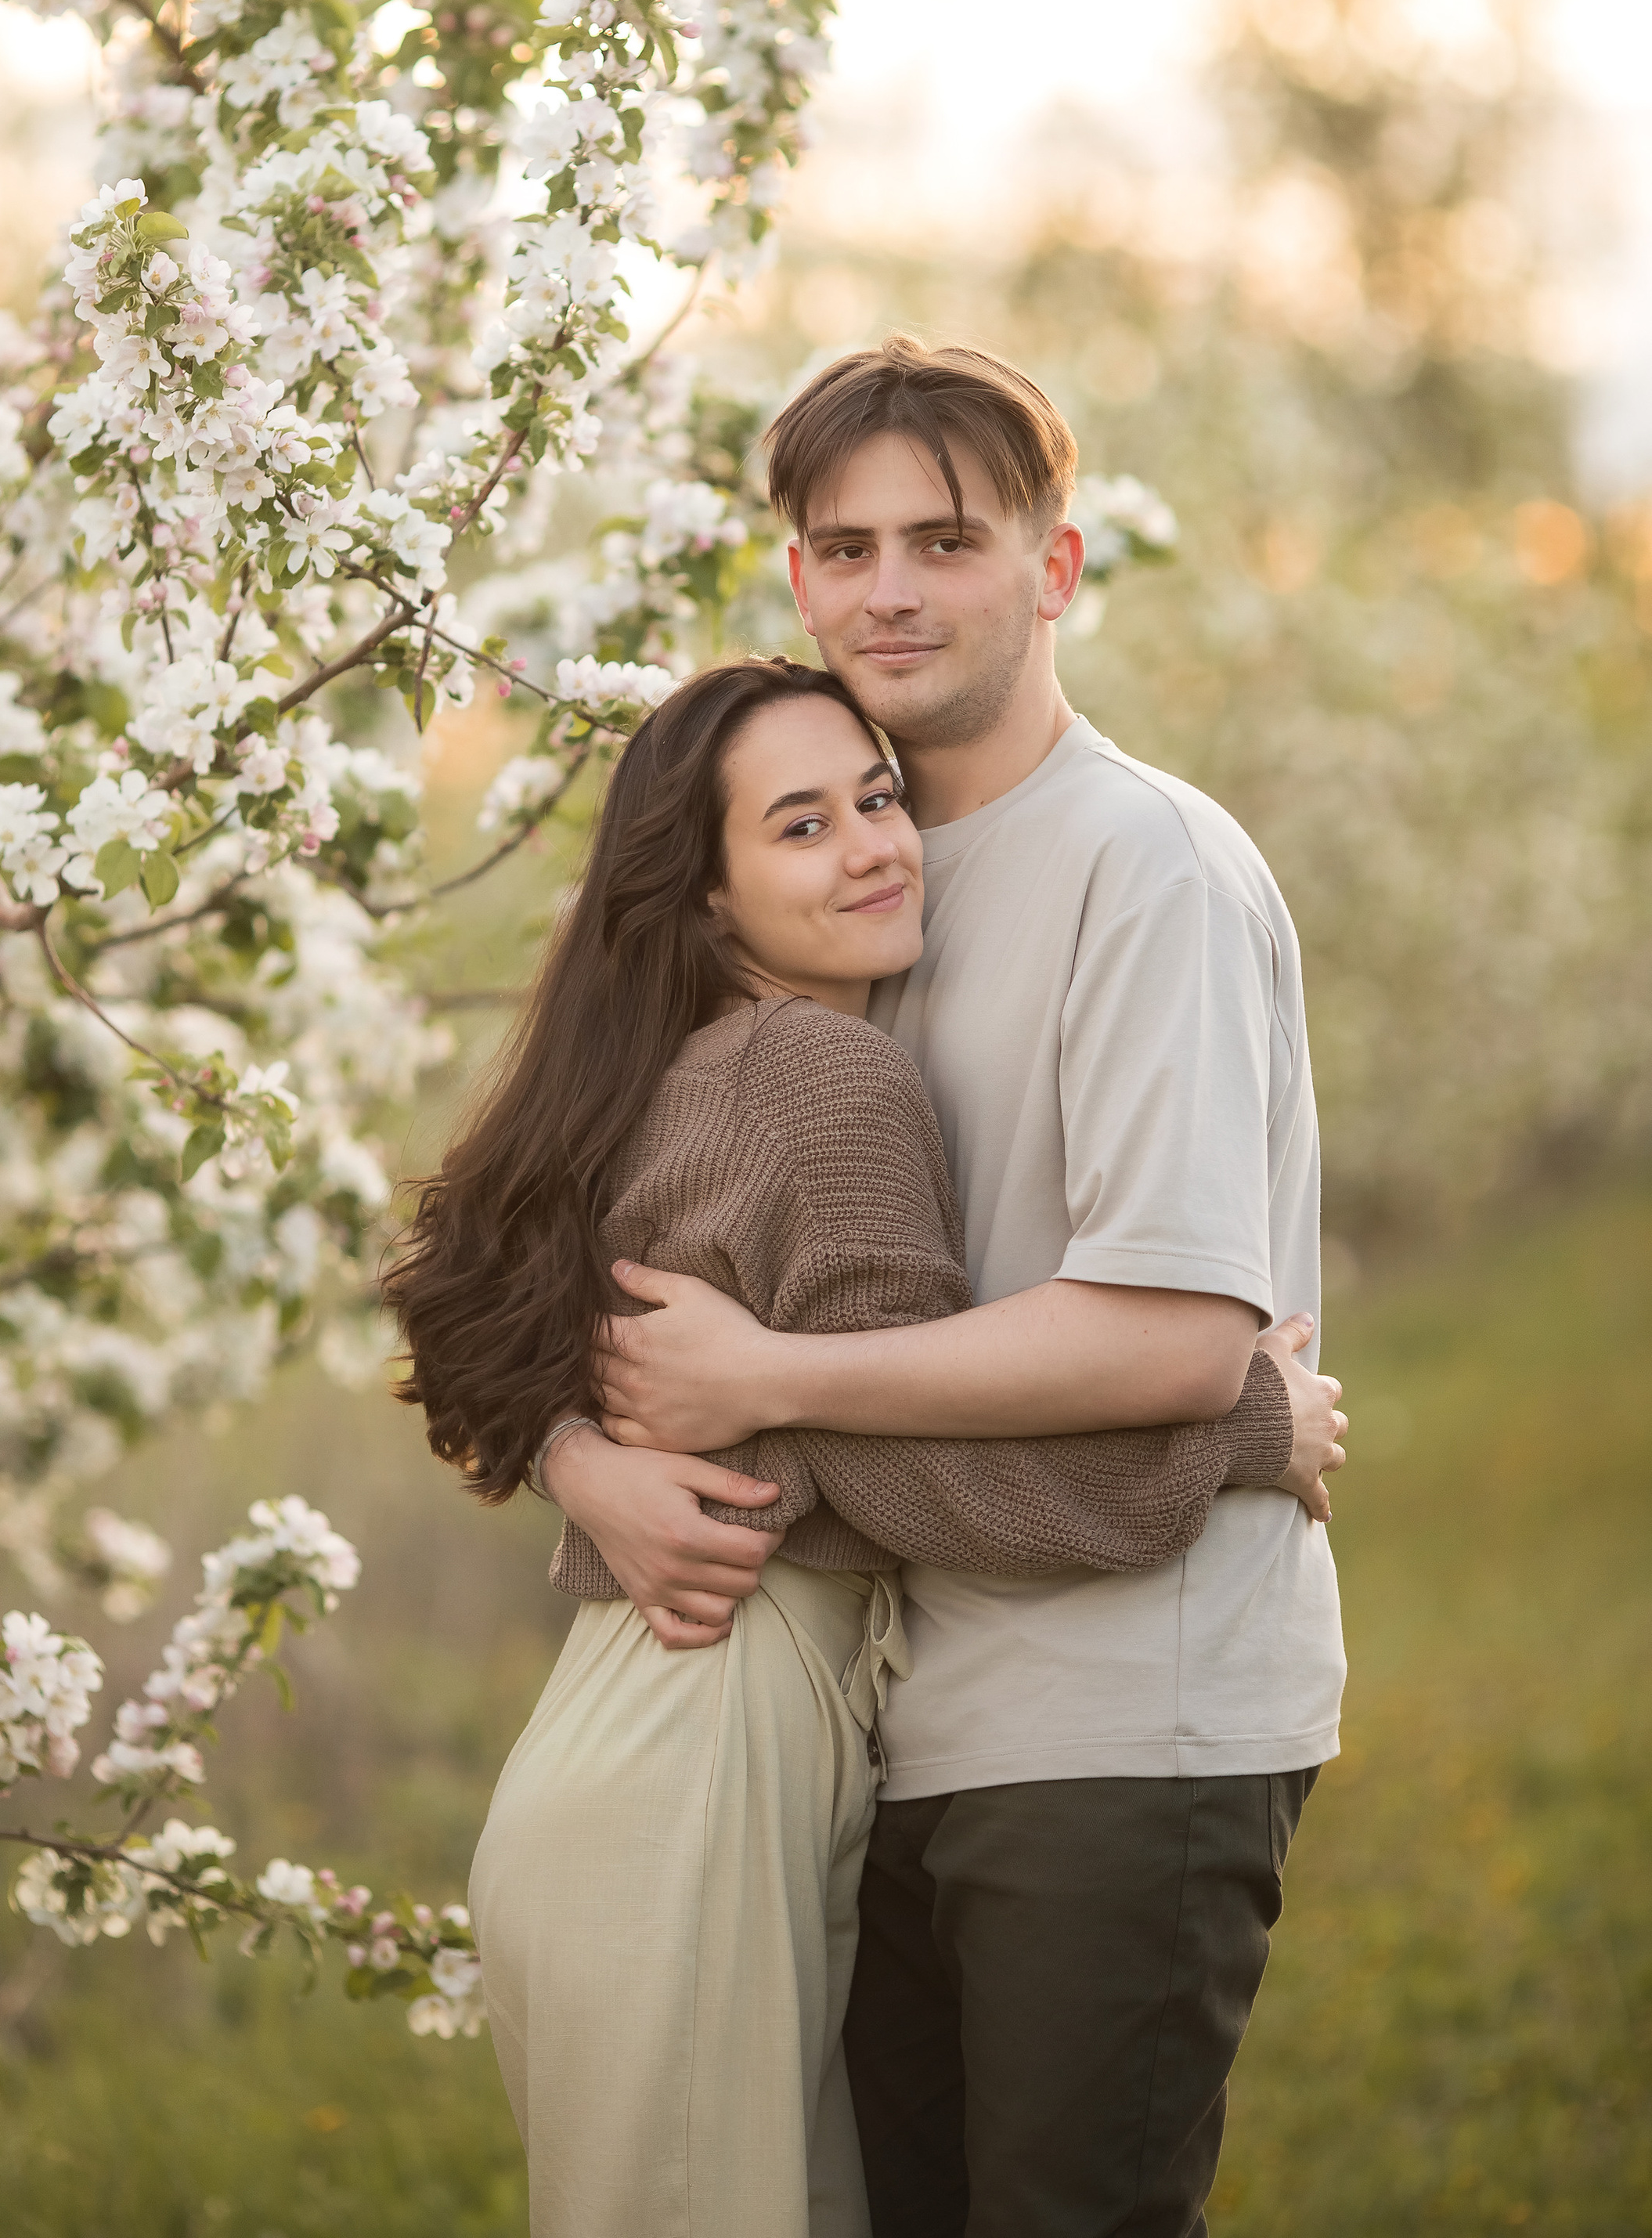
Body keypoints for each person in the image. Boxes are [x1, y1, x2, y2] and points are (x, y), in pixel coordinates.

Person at [385, 653, 1344, 2238]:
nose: (875, 847)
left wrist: (576, 1455)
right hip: (706, 1763)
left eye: (878, 799)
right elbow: (908, 1477)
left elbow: (472, 1307)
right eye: (802, 827)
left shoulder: (674, 1072)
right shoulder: (818, 1074)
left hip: (615, 1753)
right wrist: (1240, 1423)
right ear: (704, 900)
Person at [558, 338, 1351, 2238]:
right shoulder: (843, 872)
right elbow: (577, 1250)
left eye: (944, 538)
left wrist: (760, 1379)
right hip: (892, 1713)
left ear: (1054, 567)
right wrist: (593, 1458)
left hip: (1119, 1706)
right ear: (798, 580)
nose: (889, 590)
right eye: (842, 549)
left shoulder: (1139, 863)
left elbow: (1167, 1338)